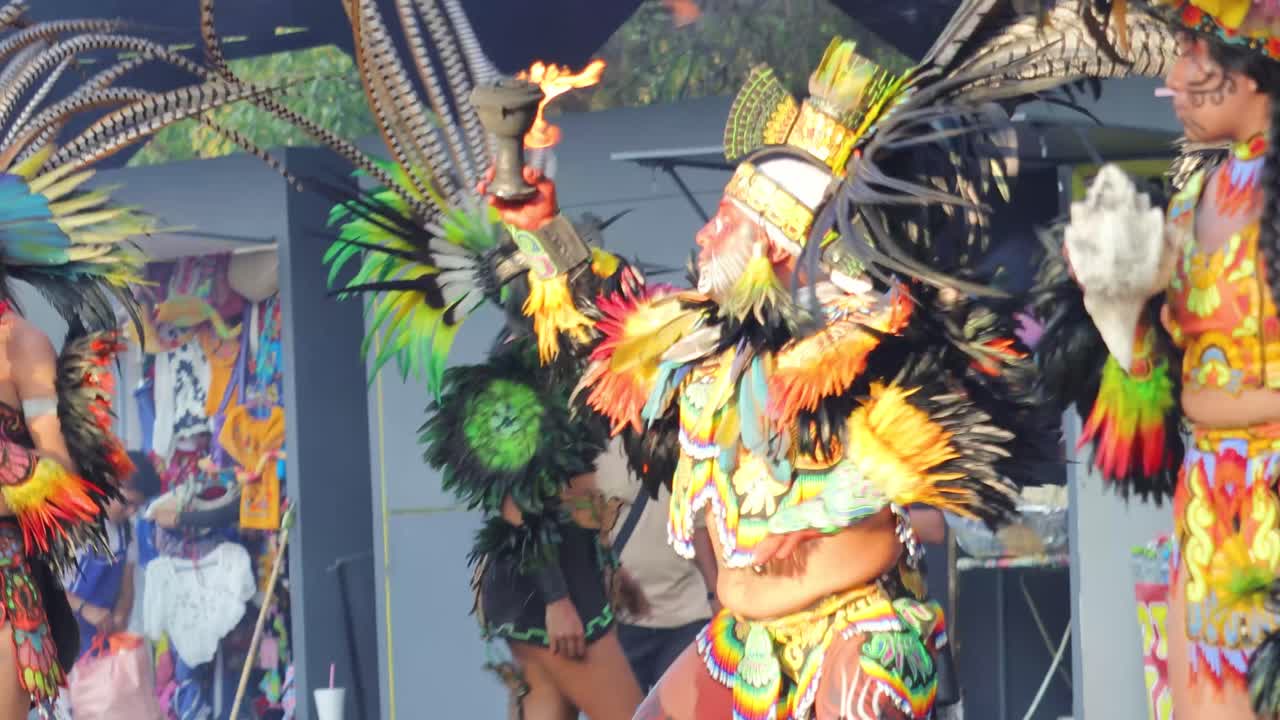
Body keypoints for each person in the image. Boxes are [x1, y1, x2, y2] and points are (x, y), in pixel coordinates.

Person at [1035, 2, 1280, 717]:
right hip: (1207, 511)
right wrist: (1118, 322)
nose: (1171, 81)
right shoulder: (1198, 196)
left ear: (1244, 67)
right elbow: (1150, 397)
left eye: (1188, 55)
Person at [593, 438, 718, 693]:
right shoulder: (598, 444)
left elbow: (700, 524)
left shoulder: (686, 436)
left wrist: (716, 594)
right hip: (622, 620)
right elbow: (584, 522)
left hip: (688, 615)